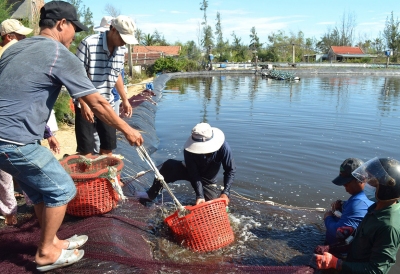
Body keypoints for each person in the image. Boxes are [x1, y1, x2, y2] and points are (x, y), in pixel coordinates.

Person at [0, 1, 143, 272]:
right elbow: (99, 103)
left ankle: (52, 240)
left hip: (12, 142)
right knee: (63, 189)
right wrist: (128, 130)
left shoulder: (14, 48)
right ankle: (45, 253)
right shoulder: (59, 53)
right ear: (61, 24)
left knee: (42, 192)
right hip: (14, 142)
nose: (74, 35)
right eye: (73, 29)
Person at [314, 157, 400, 273]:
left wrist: (336, 263)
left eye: (371, 181)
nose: (366, 183)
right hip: (352, 260)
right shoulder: (377, 207)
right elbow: (358, 236)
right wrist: (332, 248)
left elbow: (376, 270)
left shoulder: (389, 227)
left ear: (385, 188)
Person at [75, 15, 137, 156]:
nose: (123, 42)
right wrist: (83, 103)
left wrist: (125, 99)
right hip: (86, 104)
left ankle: (106, 177)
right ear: (113, 30)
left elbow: (116, 76)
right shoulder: (88, 44)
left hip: (107, 105)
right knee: (87, 153)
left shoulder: (121, 50)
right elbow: (76, 77)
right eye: (122, 38)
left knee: (108, 149)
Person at [137, 123, 236, 205]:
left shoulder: (223, 147)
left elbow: (230, 170)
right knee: (166, 166)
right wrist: (199, 195)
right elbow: (194, 174)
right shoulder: (189, 150)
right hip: (189, 170)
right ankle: (150, 194)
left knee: (212, 206)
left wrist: (225, 192)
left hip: (208, 179)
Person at [323, 158, 373, 245]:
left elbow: (338, 233)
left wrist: (328, 217)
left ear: (360, 179)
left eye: (346, 183)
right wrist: (343, 204)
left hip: (342, 251)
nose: (345, 187)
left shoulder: (358, 203)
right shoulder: (370, 193)